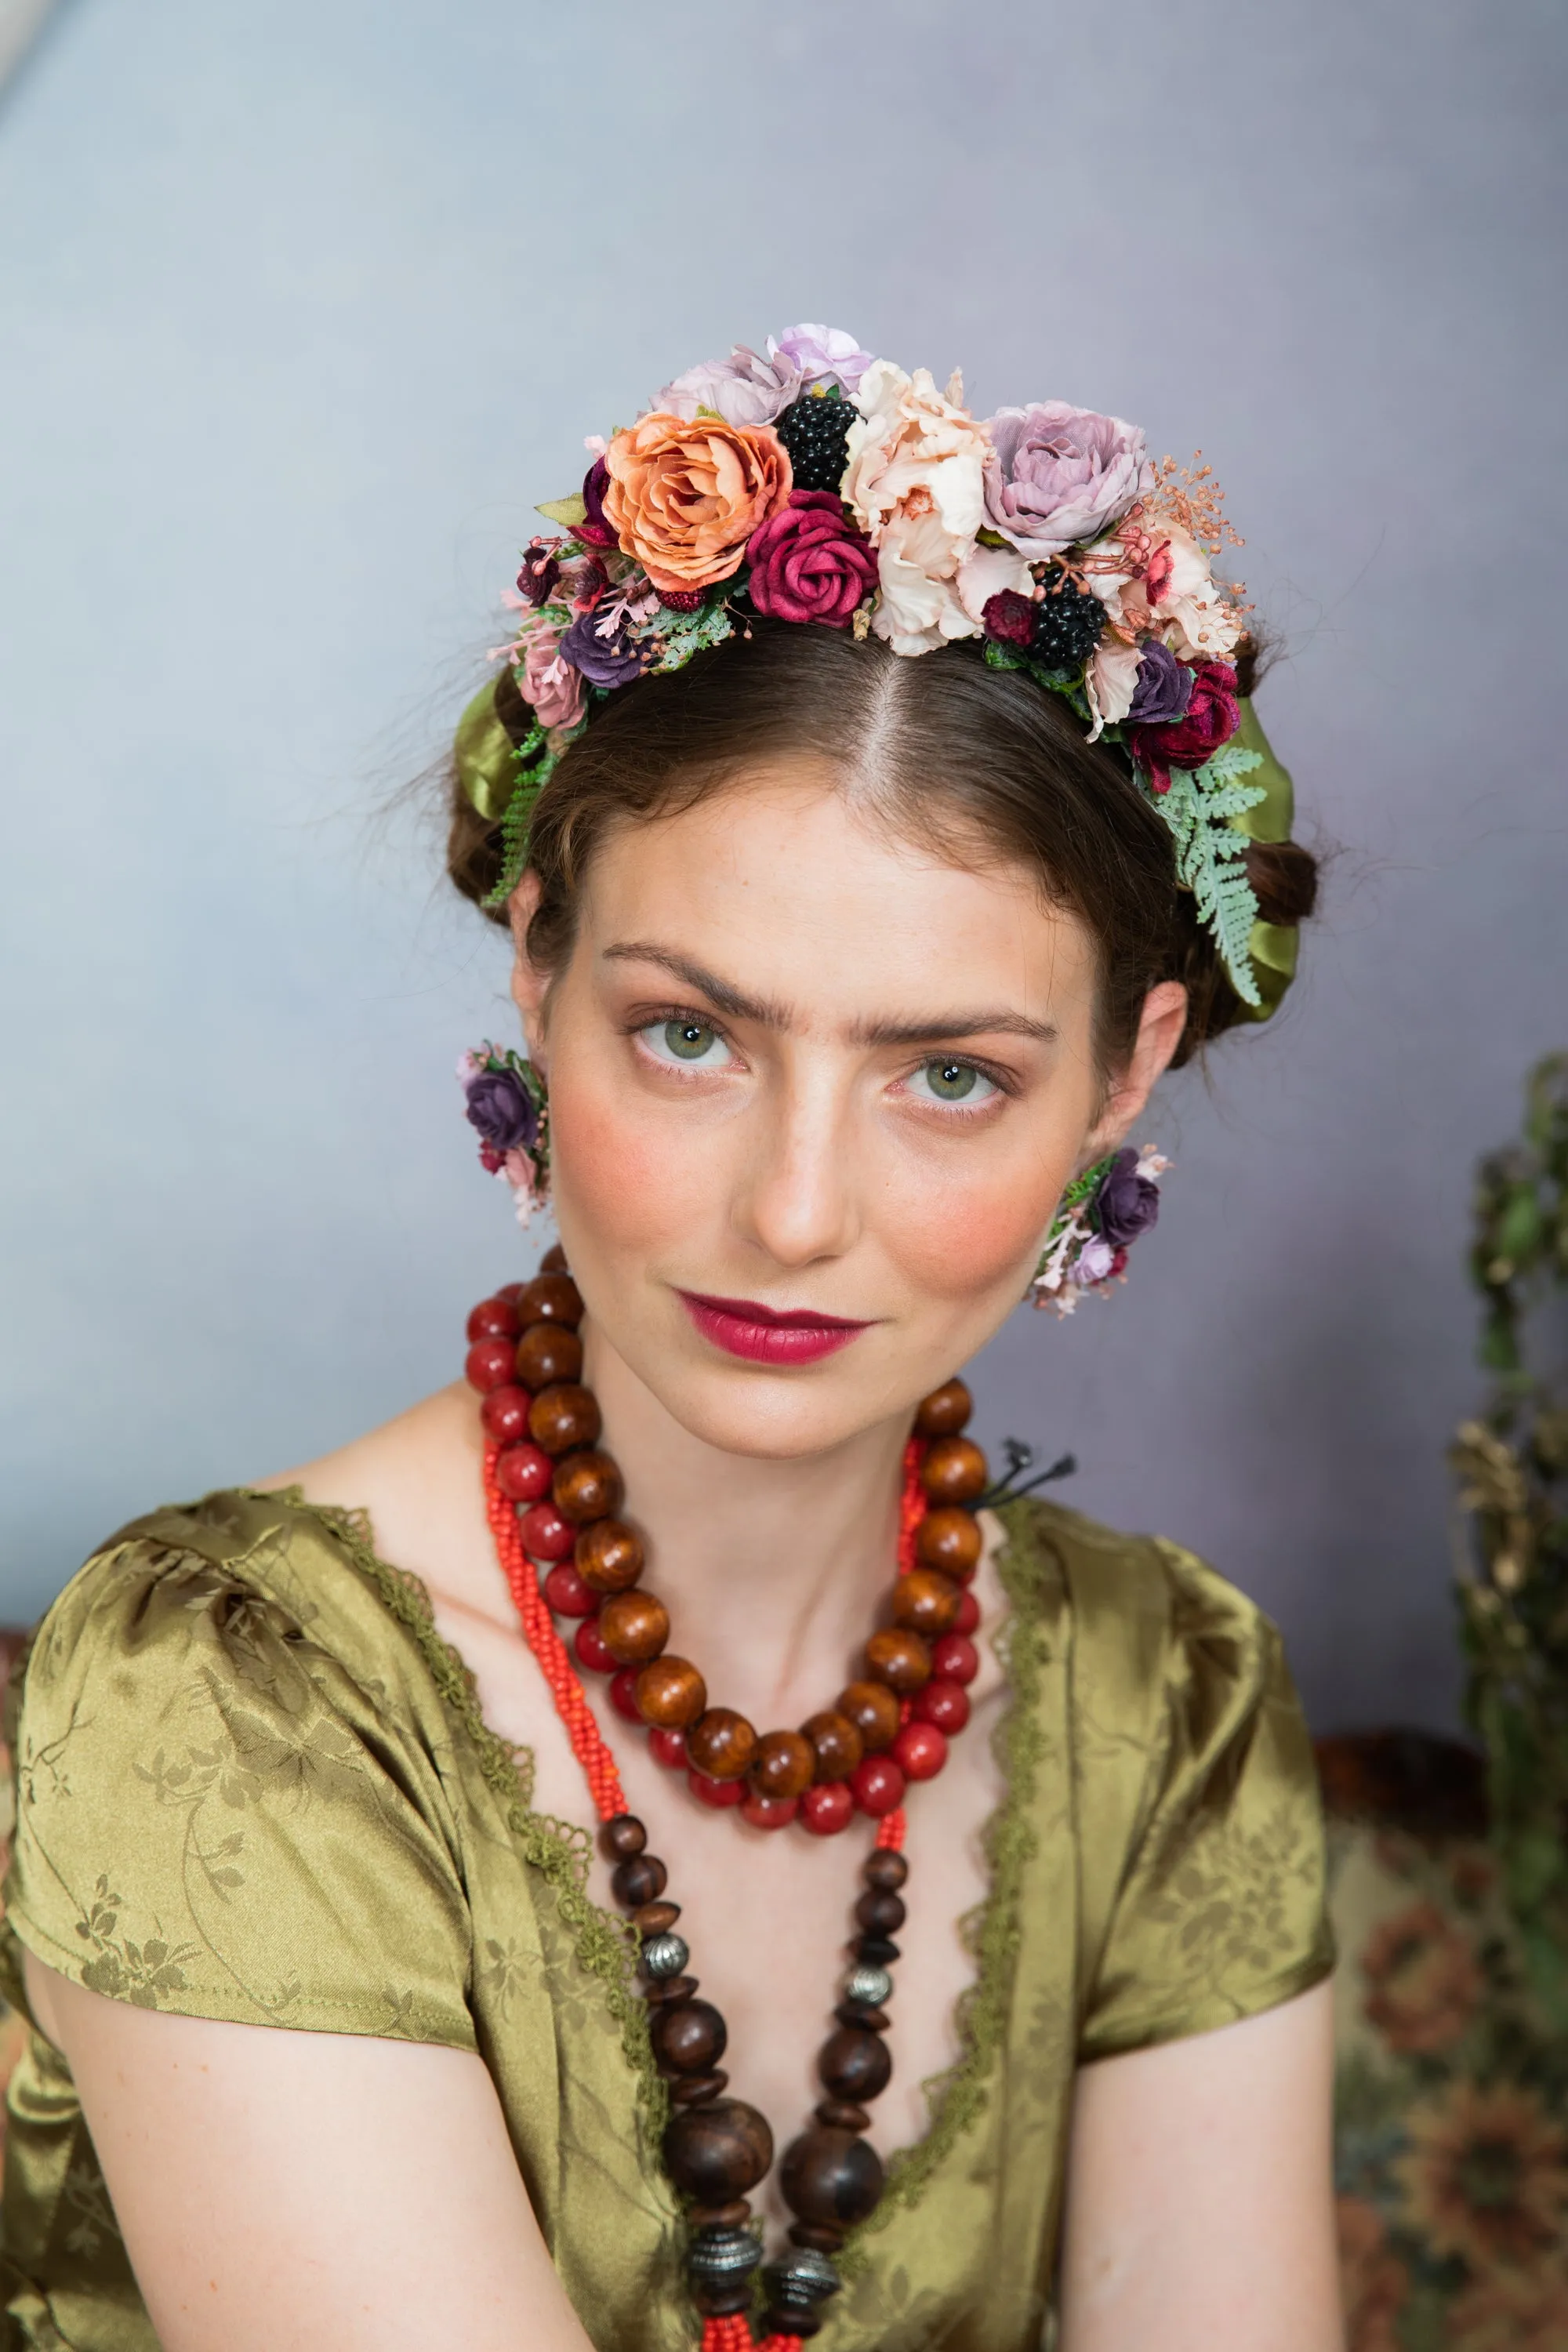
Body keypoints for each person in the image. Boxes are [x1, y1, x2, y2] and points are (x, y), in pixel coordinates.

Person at [1, 326, 1341, 2352]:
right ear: (538, 966)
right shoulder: (228, 1693)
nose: (795, 1213)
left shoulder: (1170, 1714)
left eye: (951, 1076)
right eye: (691, 1033)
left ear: (1127, 1071)